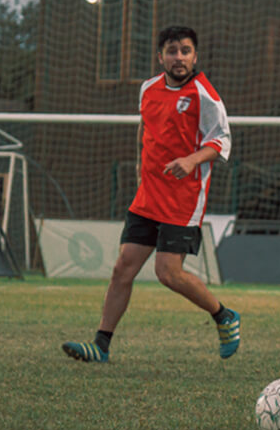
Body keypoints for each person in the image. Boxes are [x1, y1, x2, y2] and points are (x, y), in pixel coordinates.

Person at [61, 26, 239, 363]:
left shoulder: (205, 95)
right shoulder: (148, 88)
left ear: (195, 56)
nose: (179, 57)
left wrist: (191, 160)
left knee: (168, 273)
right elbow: (145, 128)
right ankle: (101, 346)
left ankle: (224, 315)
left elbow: (222, 141)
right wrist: (140, 168)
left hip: (183, 200)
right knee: (122, 269)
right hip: (148, 196)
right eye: (172, 51)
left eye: (185, 51)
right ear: (160, 57)